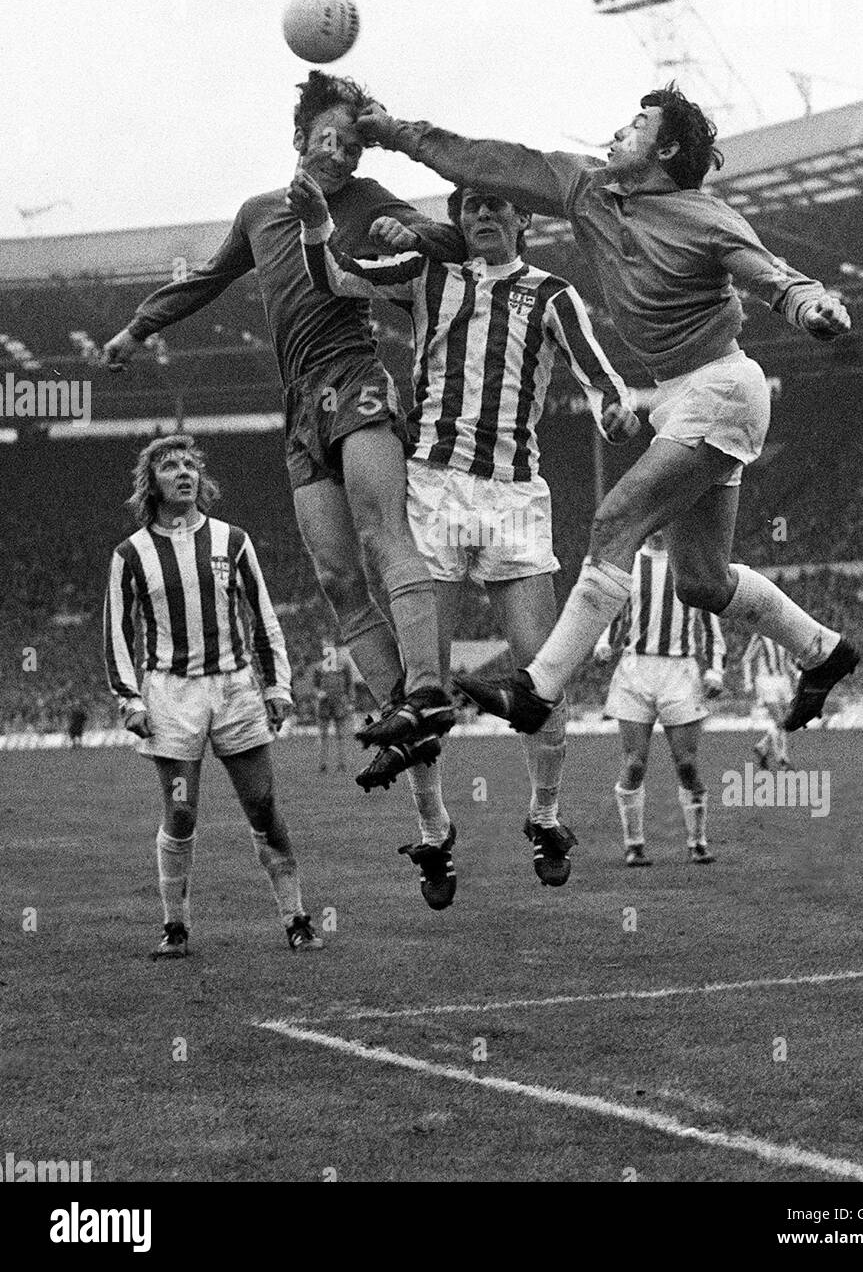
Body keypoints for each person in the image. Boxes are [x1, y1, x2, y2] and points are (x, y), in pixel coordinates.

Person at [355, 85, 858, 736]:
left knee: (615, 522)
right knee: (700, 582)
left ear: (668, 148)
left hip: (723, 386)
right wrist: (396, 131)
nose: (619, 131)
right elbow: (489, 162)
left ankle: (535, 689)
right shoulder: (583, 188)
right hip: (679, 396)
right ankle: (824, 652)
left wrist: (810, 307)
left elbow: (771, 276)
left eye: (638, 124)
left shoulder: (703, 216)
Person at [100, 72, 465, 792]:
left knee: (379, 533)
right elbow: (205, 280)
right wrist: (136, 328)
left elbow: (450, 240)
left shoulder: (367, 202)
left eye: (355, 143)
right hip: (298, 406)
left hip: (356, 376)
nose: (342, 153)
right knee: (335, 576)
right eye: (329, 137)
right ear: (300, 139)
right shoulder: (260, 212)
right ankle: (401, 710)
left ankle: (428, 691)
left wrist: (412, 230)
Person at [288, 171, 639, 904]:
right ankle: (435, 830)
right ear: (456, 219)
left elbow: (598, 371)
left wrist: (613, 408)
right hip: (434, 490)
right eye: (470, 204)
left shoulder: (550, 293)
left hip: (513, 497)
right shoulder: (428, 274)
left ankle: (544, 816)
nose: (483, 212)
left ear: (520, 220)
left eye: (496, 203)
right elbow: (335, 278)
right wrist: (319, 221)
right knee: (426, 686)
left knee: (545, 673)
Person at [103, 434, 324, 957]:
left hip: (234, 691)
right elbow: (116, 630)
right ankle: (175, 926)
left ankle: (296, 917)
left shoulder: (232, 540)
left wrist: (277, 687)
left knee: (264, 806)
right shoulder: (131, 553)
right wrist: (129, 699)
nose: (182, 472)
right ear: (151, 483)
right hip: (172, 697)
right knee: (181, 813)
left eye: (189, 464)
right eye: (169, 466)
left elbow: (262, 616)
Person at [593, 530, 725, 866]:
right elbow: (615, 612)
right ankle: (634, 845)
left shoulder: (691, 566)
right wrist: (605, 642)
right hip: (635, 670)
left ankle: (697, 842)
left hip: (680, 673)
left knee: (687, 765)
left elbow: (711, 624)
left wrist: (716, 669)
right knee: (634, 764)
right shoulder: (630, 565)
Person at [742, 632, 795, 769]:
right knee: (780, 719)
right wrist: (748, 682)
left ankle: (762, 746)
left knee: (787, 720)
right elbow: (747, 659)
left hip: (784, 681)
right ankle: (782, 758)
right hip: (766, 681)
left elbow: (787, 661)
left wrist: (797, 673)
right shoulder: (761, 635)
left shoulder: (786, 634)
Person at [311, 643, 358, 772]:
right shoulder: (319, 667)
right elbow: (315, 686)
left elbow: (350, 685)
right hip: (324, 704)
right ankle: (322, 764)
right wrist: (318, 693)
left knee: (341, 735)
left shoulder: (344, 665)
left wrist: (350, 702)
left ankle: (342, 764)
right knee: (323, 735)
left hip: (340, 703)